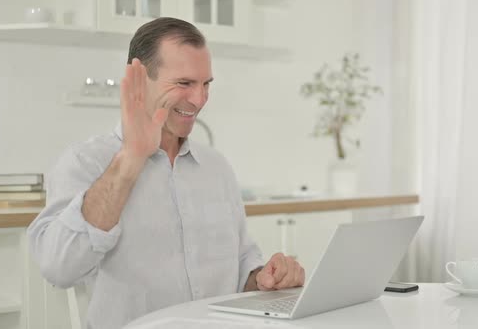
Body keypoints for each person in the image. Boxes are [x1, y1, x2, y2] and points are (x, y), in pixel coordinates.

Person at [27, 17, 305, 329]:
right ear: (138, 80)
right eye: (184, 83)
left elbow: (242, 268)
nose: (199, 100)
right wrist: (131, 158)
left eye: (206, 84)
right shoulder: (85, 162)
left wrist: (265, 278)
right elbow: (57, 268)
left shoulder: (216, 168)